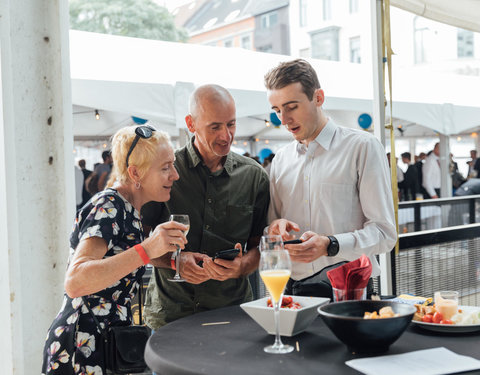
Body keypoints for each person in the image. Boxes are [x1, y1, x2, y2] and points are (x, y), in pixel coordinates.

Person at [42, 126, 186, 374]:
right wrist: (147, 248)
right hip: (82, 346)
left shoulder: (128, 207)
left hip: (105, 342)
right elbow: (76, 280)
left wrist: (172, 261)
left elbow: (116, 259)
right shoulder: (108, 205)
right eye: (165, 167)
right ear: (135, 173)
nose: (175, 175)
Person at [263, 59, 396, 298]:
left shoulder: (362, 147)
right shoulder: (280, 160)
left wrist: (330, 244)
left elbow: (385, 234)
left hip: (349, 286)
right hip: (290, 288)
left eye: (291, 107)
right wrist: (274, 228)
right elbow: (271, 228)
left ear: (318, 98)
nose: (283, 119)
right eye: (277, 110)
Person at [141, 84, 270, 328]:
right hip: (171, 316)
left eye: (231, 124)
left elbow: (260, 247)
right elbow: (138, 242)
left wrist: (242, 265)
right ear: (191, 124)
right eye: (215, 127)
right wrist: (174, 261)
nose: (226, 135)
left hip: (232, 316)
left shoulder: (254, 177)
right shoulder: (164, 170)